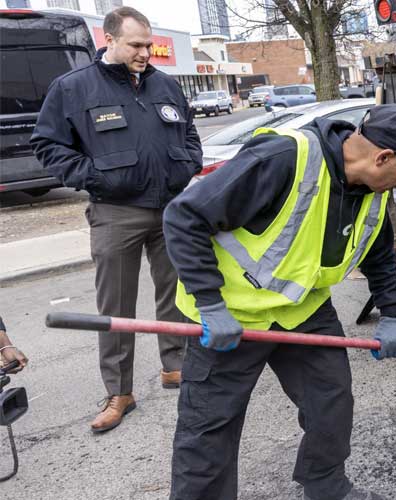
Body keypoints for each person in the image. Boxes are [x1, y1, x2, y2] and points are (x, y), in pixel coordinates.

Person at [162, 104, 396, 500]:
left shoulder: (373, 194)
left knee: (331, 400)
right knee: (210, 427)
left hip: (303, 310)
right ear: (382, 157)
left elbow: (379, 255)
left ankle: (327, 487)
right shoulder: (283, 159)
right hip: (232, 315)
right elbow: (184, 217)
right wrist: (210, 304)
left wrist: (392, 315)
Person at [30, 7, 201, 433]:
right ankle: (119, 391)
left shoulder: (165, 84)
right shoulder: (73, 87)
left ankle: (175, 366)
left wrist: (188, 164)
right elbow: (48, 145)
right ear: (109, 40)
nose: (145, 53)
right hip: (115, 212)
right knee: (116, 307)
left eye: (149, 45)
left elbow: (189, 133)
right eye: (136, 45)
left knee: (176, 295)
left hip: (170, 208)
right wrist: (94, 177)